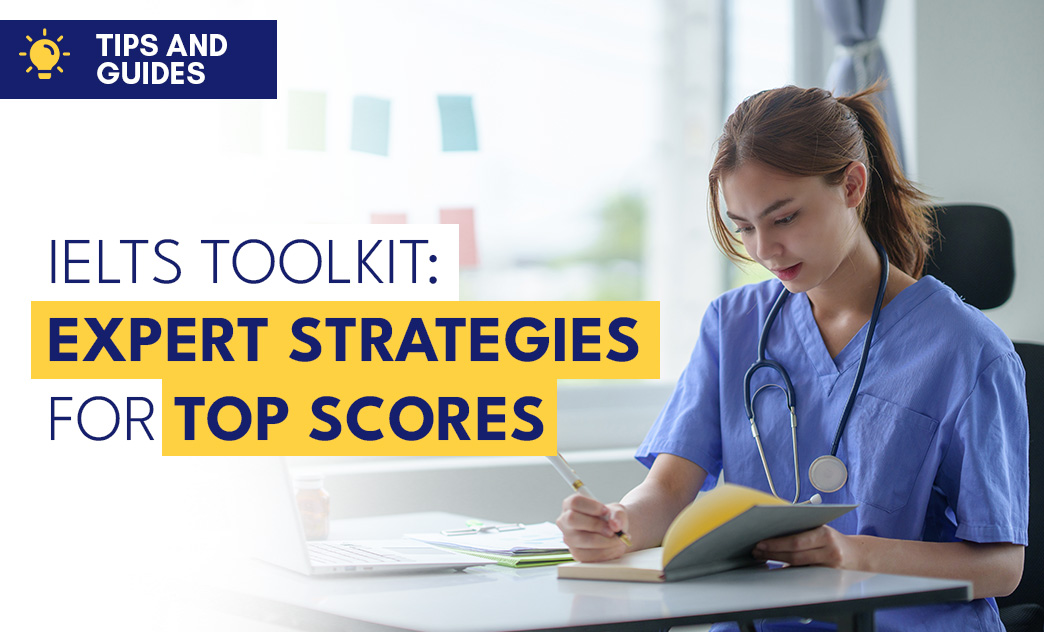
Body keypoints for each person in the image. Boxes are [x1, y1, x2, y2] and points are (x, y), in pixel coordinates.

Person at [555, 83, 1028, 631]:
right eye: (744, 227)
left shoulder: (966, 349)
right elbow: (667, 490)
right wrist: (617, 526)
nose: (763, 250)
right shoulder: (732, 326)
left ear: (852, 185)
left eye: (784, 219)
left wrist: (851, 554)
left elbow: (1002, 567)